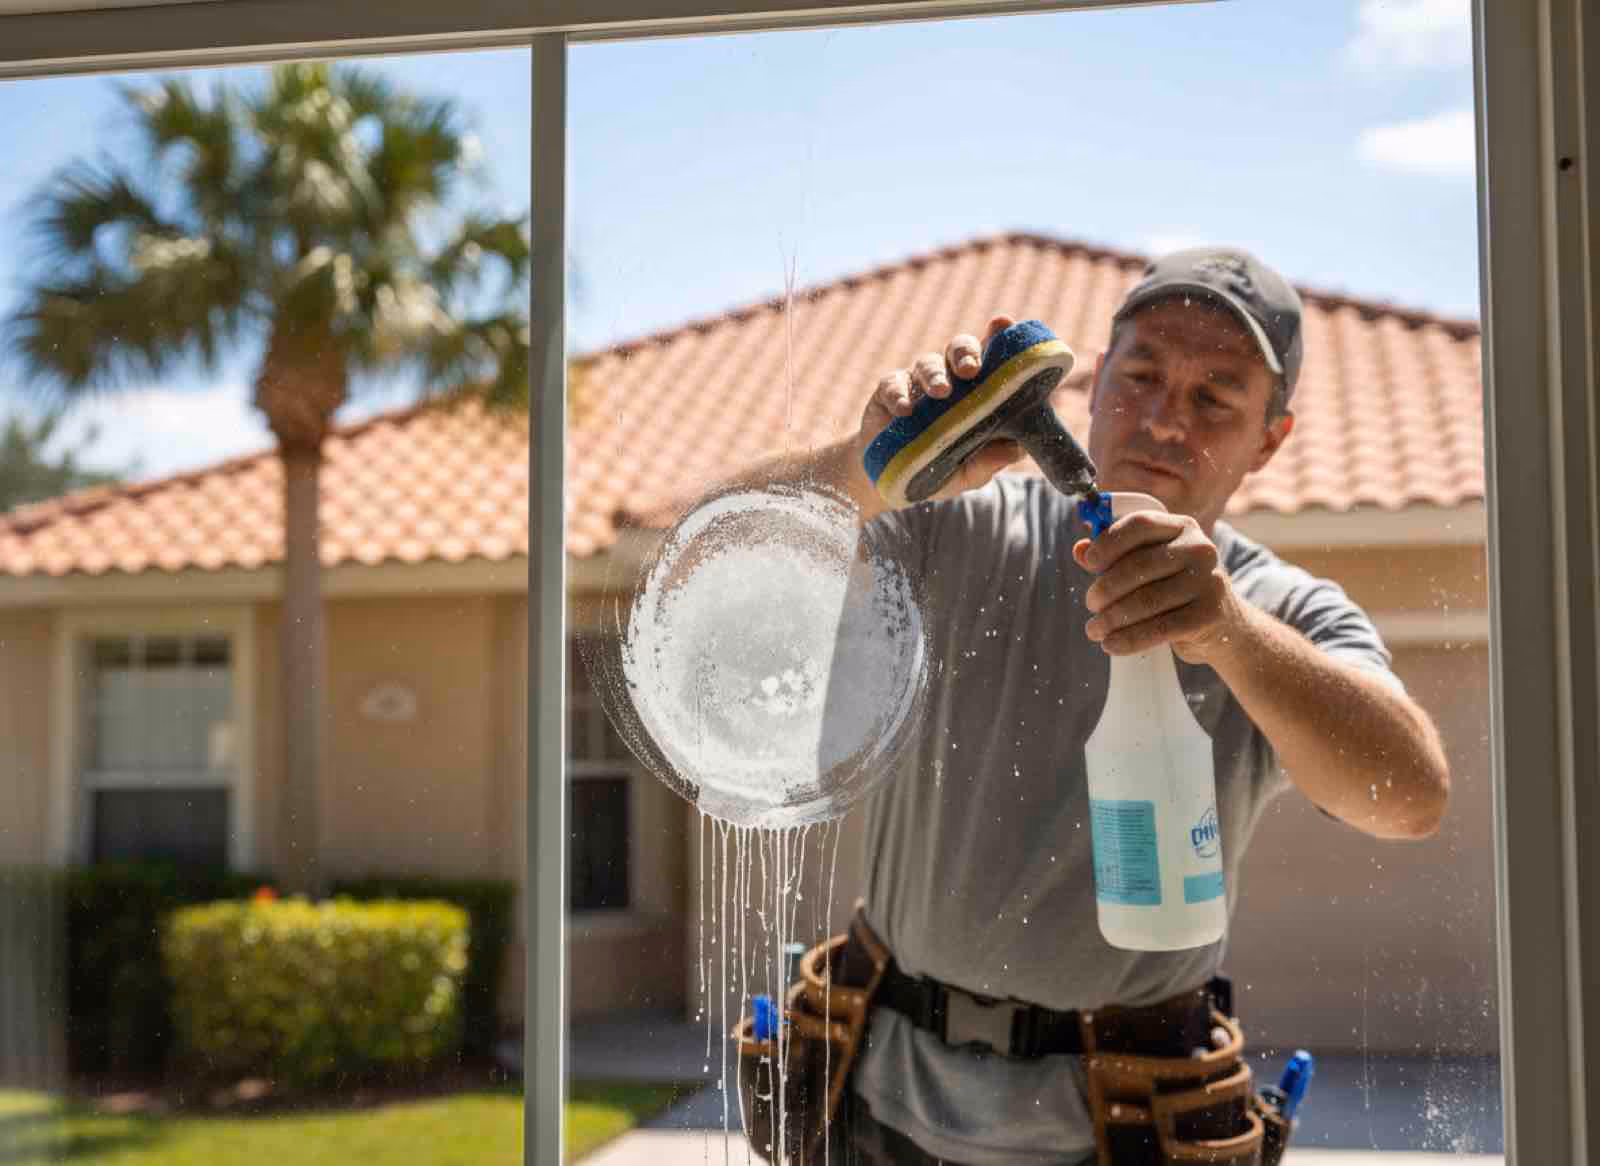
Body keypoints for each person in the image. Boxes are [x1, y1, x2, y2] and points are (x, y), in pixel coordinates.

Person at [747, 247, 1451, 1165]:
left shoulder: (1280, 611)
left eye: (1214, 398)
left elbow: (1411, 797)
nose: (1164, 420)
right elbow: (708, 554)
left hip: (1129, 1128)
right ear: (1091, 386)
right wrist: (864, 463)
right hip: (877, 1101)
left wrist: (1229, 632)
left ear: (1269, 439)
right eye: (1144, 376)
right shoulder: (953, 527)